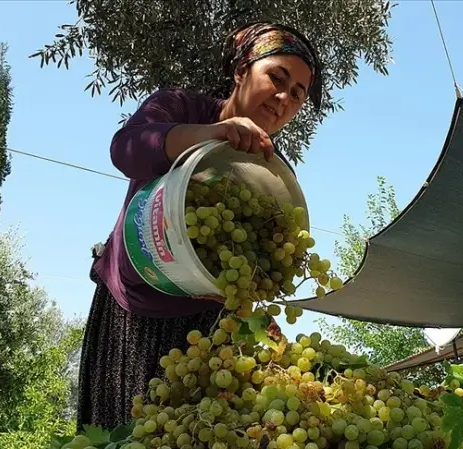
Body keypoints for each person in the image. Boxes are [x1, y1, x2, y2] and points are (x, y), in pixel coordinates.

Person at [77, 21, 323, 429]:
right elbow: (125, 150)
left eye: (297, 94)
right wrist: (213, 134)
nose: (284, 97)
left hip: (200, 337)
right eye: (276, 78)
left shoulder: (272, 172)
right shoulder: (180, 108)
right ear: (242, 71)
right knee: (119, 433)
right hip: (131, 313)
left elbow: (250, 265)